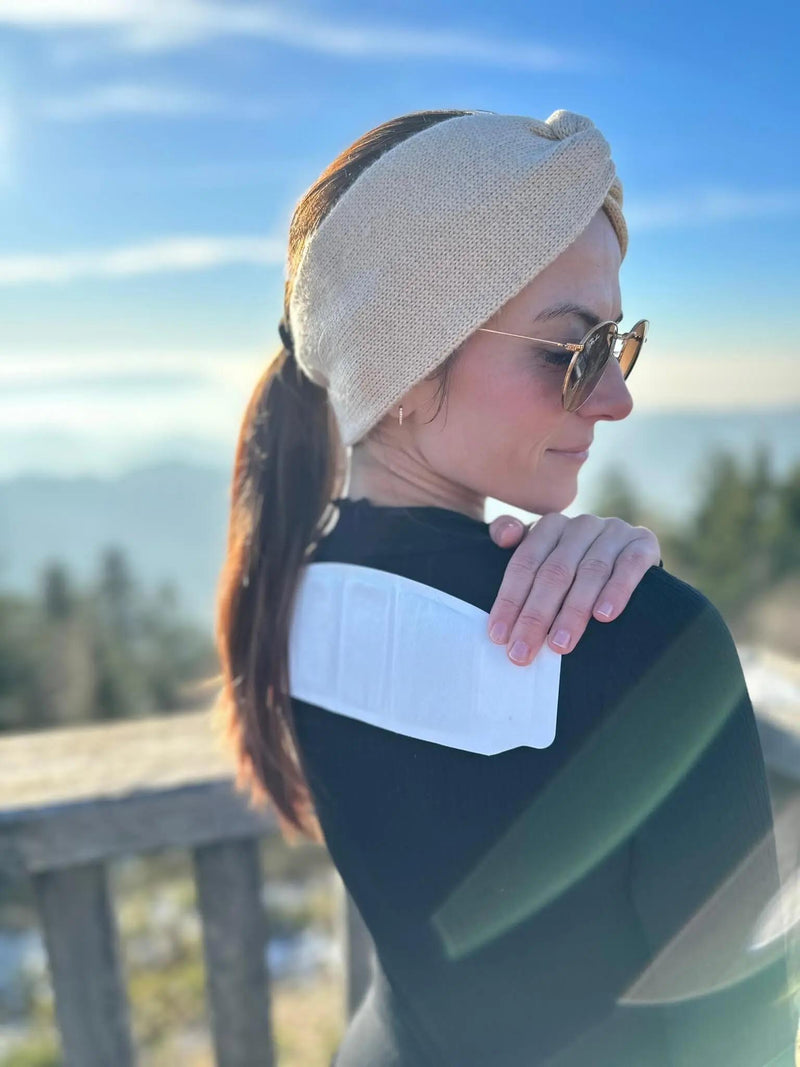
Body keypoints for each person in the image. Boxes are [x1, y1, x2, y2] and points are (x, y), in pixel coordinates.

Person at [212, 108, 797, 1066]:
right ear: (403, 370)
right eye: (571, 352)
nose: (616, 397)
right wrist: (649, 615)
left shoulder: (288, 591)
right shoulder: (650, 644)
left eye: (617, 343)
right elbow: (746, 1039)